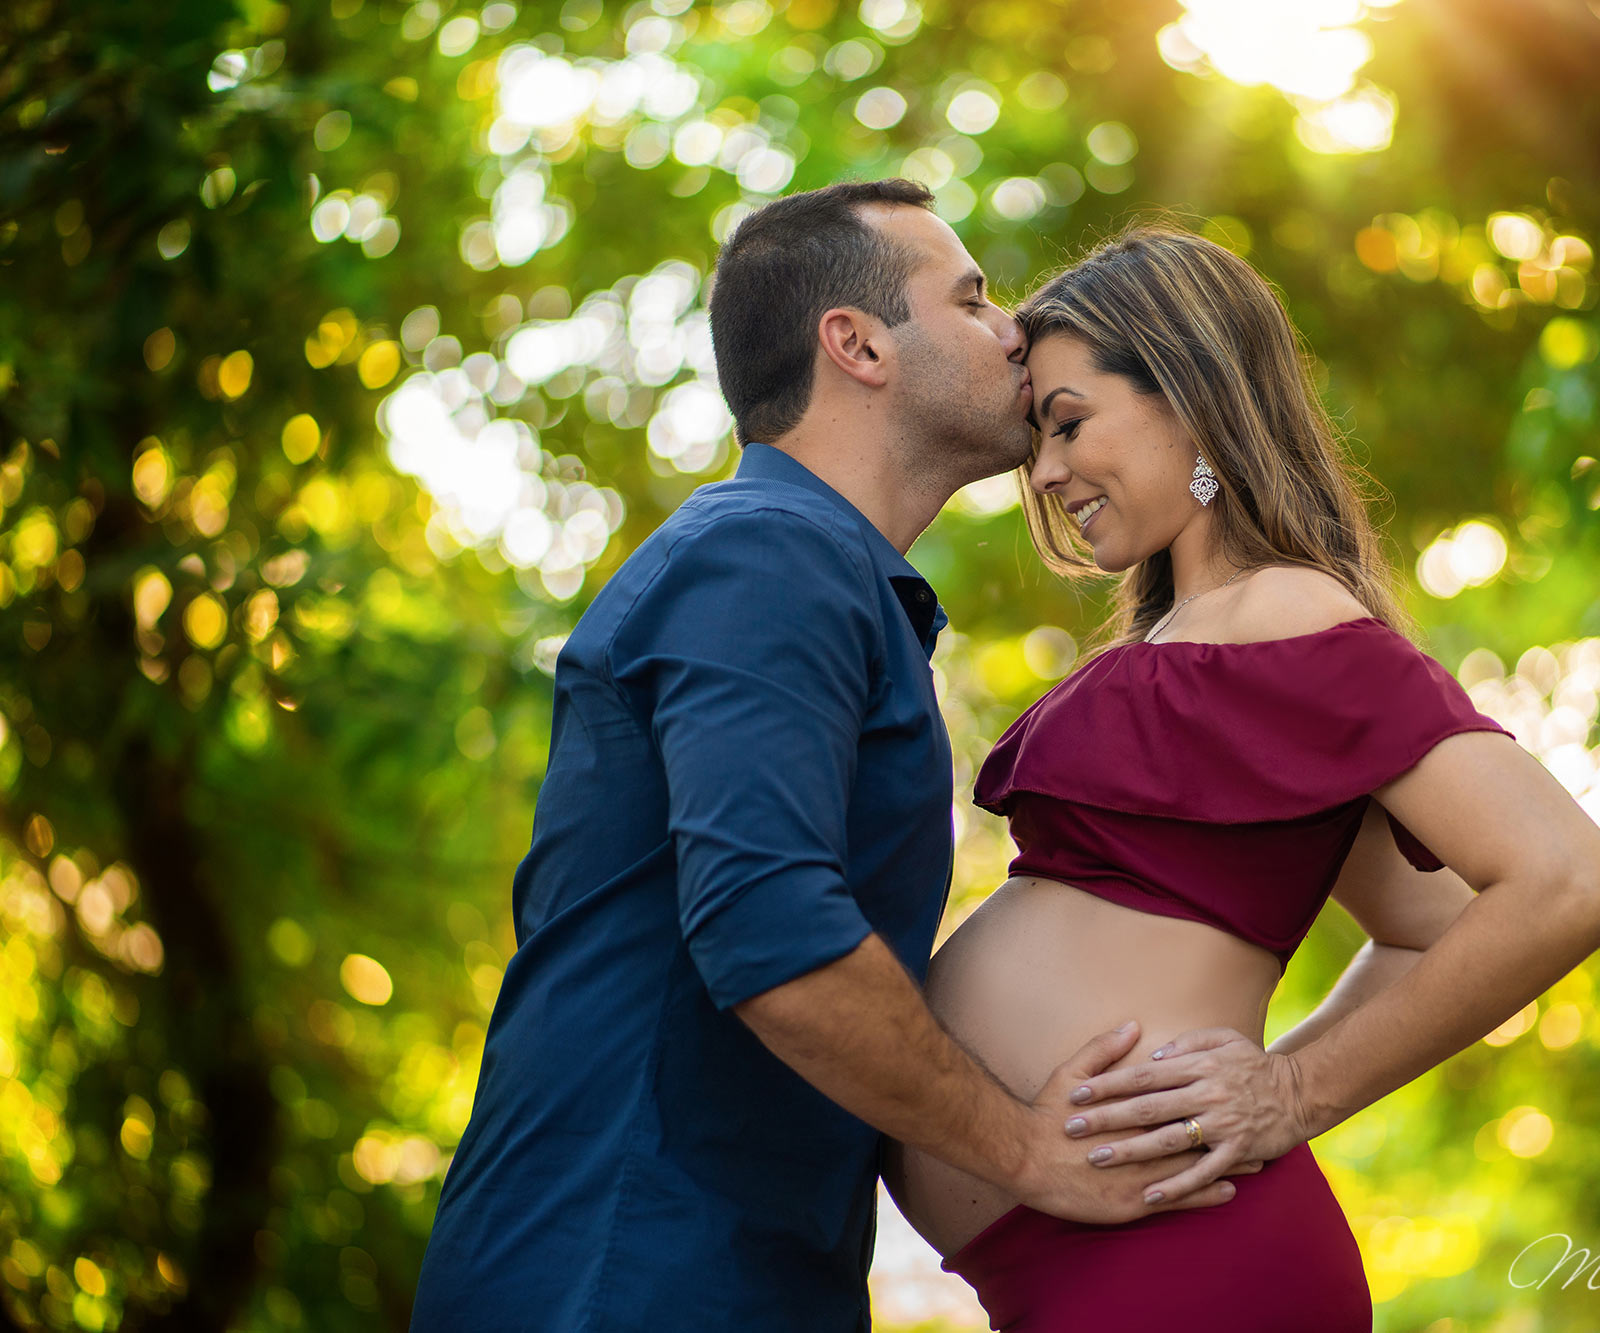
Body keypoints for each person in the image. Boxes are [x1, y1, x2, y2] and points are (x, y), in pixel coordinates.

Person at [408, 182, 1258, 1333]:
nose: (1013, 329)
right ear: (854, 344)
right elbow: (769, 929)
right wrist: (1025, 1152)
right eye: (968, 298)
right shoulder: (765, 553)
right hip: (619, 1278)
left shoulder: (831, 580)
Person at [882, 224, 1600, 1331]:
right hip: (1089, 1257)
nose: (1042, 472)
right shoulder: (1210, 635)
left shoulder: (1285, 612)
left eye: (1068, 423)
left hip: (1180, 1260)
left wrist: (1288, 1090)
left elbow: (1571, 882)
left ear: (1189, 393)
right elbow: (1421, 925)